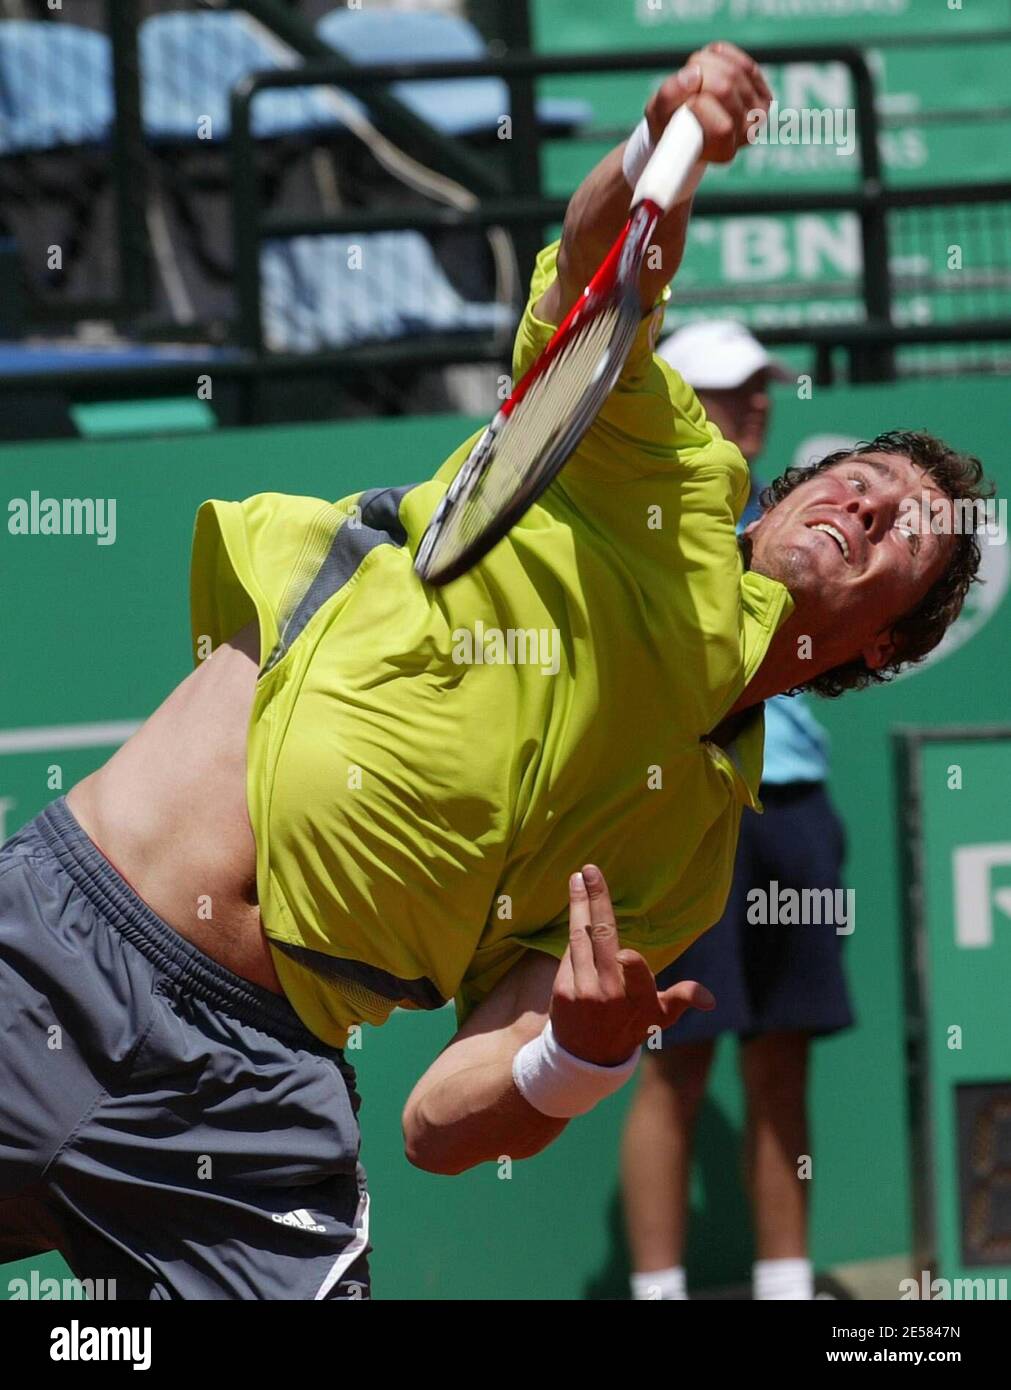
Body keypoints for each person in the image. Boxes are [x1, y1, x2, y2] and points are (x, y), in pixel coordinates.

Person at [0, 42, 990, 1300]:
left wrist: (570, 1058)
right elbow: (603, 270)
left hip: (248, 1092)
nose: (869, 498)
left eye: (907, 524)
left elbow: (442, 1120)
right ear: (784, 493)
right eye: (862, 475)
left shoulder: (685, 860)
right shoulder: (671, 479)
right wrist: (656, 147)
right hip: (65, 939)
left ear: (892, 643)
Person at [620, 320, 854, 1303]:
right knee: (677, 1061)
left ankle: (786, 1288)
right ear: (676, 402)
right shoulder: (645, 520)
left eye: (760, 385)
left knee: (783, 1059)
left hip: (794, 812)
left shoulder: (791, 519)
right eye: (726, 387)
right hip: (693, 819)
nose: (753, 401)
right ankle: (660, 1291)